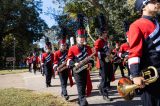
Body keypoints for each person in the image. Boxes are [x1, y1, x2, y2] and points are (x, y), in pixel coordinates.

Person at [128, 0, 160, 106]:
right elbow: (134, 52)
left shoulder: (157, 22)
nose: (157, 3)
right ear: (144, 7)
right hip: (150, 78)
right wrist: (135, 75)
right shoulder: (136, 25)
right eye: (153, 1)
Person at [67, 13, 93, 106]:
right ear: (76, 38)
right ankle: (83, 102)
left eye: (82, 37)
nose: (81, 39)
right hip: (77, 70)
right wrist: (74, 64)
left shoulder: (88, 48)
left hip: (85, 70)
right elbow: (69, 60)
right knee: (80, 86)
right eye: (79, 37)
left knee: (84, 86)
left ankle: (80, 99)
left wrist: (90, 64)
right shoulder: (72, 48)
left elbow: (91, 59)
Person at [94, 13, 112, 101]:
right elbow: (96, 52)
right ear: (101, 33)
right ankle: (105, 95)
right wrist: (106, 53)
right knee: (104, 78)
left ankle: (100, 86)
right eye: (104, 32)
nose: (106, 33)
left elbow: (107, 50)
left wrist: (109, 50)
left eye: (106, 32)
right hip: (102, 62)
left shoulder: (105, 41)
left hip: (107, 61)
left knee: (106, 78)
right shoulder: (98, 41)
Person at [53, 32, 73, 101]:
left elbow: (71, 58)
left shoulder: (68, 51)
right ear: (59, 46)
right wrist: (56, 68)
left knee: (65, 82)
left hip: (67, 69)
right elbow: (55, 62)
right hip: (60, 69)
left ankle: (62, 92)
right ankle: (65, 94)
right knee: (63, 82)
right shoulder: (56, 53)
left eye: (65, 45)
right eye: (62, 45)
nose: (64, 46)